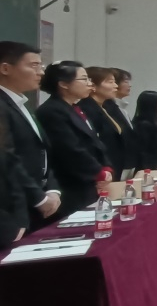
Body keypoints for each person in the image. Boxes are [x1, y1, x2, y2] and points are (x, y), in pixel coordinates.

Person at [36, 62, 112, 220]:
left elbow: (94, 141)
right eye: (84, 79)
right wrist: (97, 171)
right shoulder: (51, 110)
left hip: (88, 183)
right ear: (64, 84)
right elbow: (69, 148)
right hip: (70, 184)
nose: (89, 84)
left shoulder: (75, 108)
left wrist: (105, 167)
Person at [0, 42, 61, 229]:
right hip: (14, 205)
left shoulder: (20, 103)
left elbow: (41, 151)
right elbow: (6, 157)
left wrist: (52, 188)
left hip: (38, 199)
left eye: (41, 66)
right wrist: (38, 197)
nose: (41, 72)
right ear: (5, 68)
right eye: (34, 66)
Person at [78, 66, 125, 179]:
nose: (116, 86)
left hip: (112, 166)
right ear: (93, 86)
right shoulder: (87, 109)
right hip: (99, 170)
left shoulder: (106, 108)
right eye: (110, 82)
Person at [104, 68, 136, 173]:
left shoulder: (121, 108)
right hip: (116, 165)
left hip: (128, 163)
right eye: (126, 81)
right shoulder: (107, 107)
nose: (129, 85)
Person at [131, 90, 157, 171]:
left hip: (156, 166)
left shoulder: (154, 122)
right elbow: (145, 153)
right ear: (152, 105)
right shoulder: (144, 125)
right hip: (147, 169)